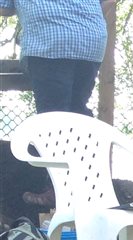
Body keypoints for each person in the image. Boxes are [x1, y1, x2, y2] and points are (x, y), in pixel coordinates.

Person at [1, 0, 110, 208]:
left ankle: (58, 191)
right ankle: (89, 186)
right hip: (90, 40)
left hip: (49, 42)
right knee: (77, 114)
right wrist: (79, 18)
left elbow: (4, 8)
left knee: (52, 120)